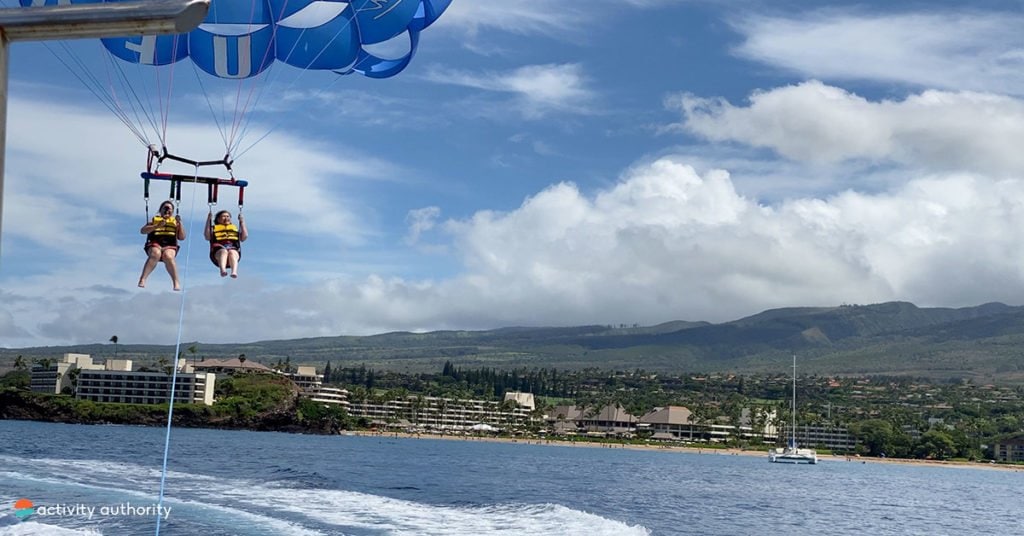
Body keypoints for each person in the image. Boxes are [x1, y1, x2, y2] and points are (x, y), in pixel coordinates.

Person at [138, 200, 185, 290]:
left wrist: (180, 223)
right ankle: (143, 279)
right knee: (156, 253)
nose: (167, 211)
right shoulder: (154, 220)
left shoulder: (175, 222)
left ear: (172, 211)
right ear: (161, 210)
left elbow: (182, 237)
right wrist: (156, 226)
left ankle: (176, 282)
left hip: (170, 245)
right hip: (155, 244)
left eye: (169, 209)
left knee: (168, 256)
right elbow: (142, 231)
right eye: (165, 208)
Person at [205, 210, 248, 278]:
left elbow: (244, 237)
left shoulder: (234, 228)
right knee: (224, 251)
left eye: (228, 216)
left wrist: (242, 222)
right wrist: (208, 220)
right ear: (218, 219)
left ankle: (234, 272)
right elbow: (207, 237)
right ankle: (222, 270)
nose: (226, 218)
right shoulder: (213, 228)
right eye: (224, 216)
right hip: (218, 251)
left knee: (232, 252)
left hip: (233, 249)